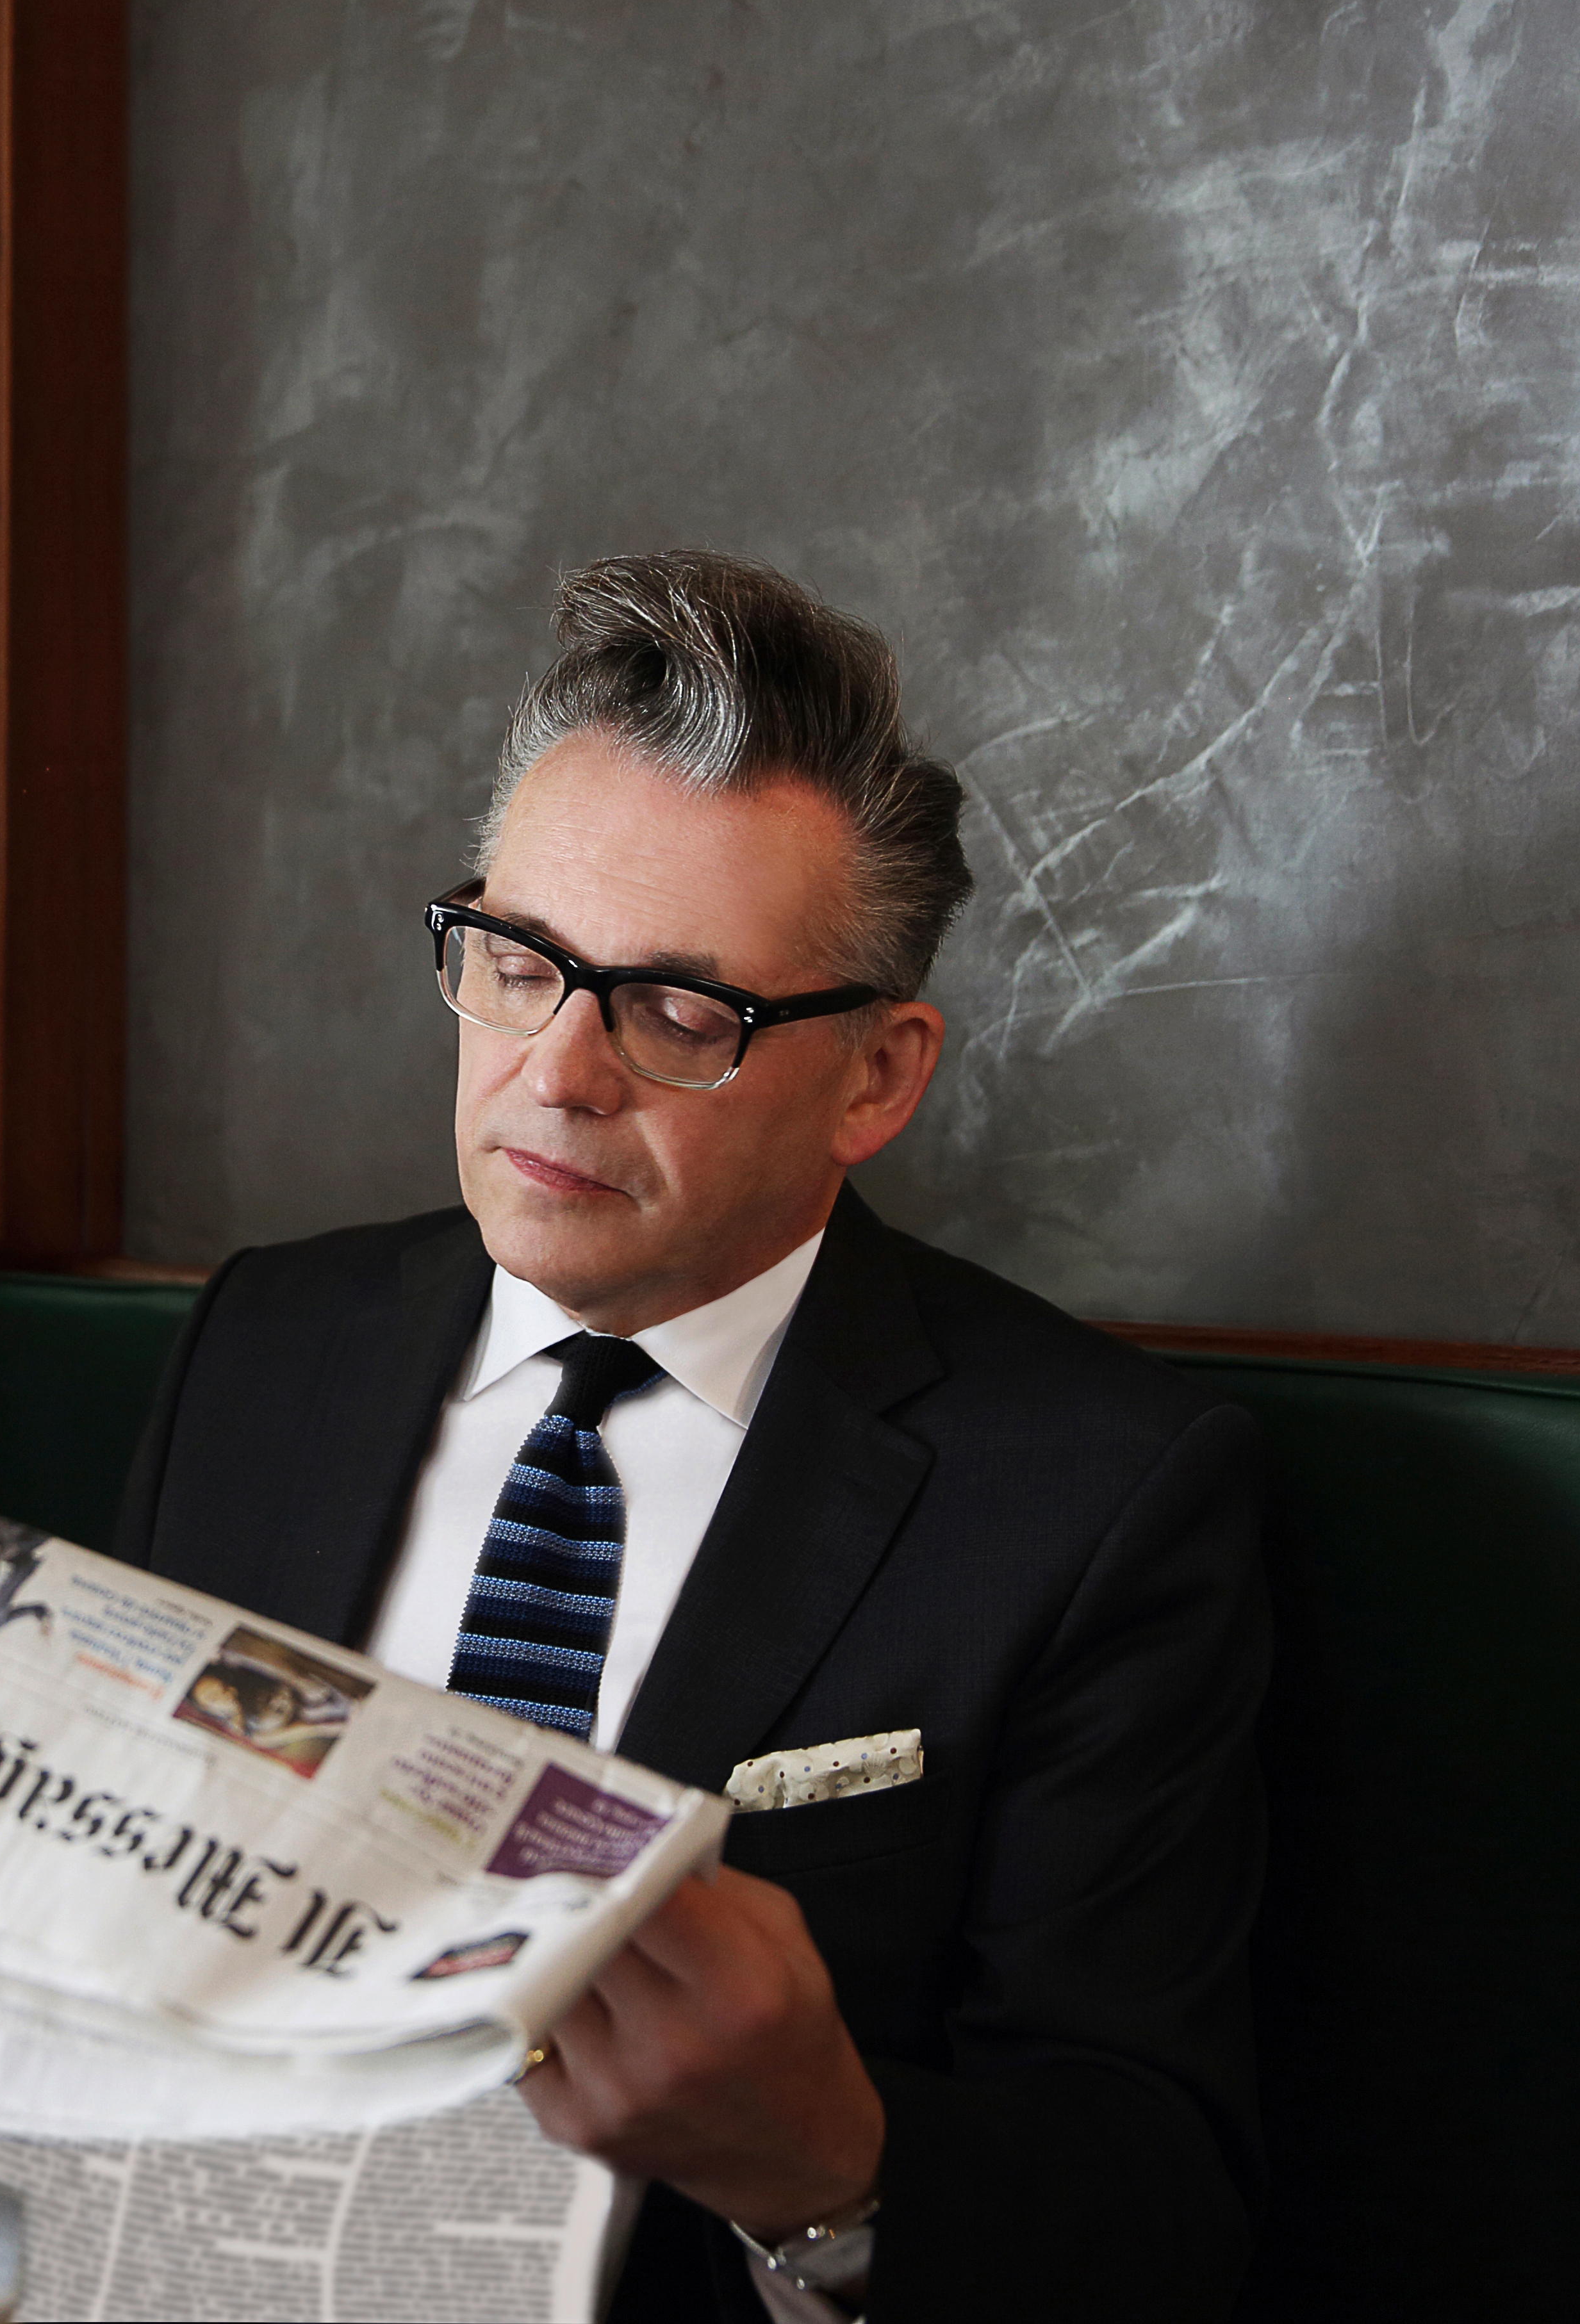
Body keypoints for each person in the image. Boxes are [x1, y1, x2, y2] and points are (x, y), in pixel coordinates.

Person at [116, 553, 1268, 2324]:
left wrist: (828, 2166)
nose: (560, 1072)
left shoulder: (1100, 1498)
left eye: (677, 1012)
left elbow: (1151, 2201)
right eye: (519, 961)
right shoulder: (265, 1343)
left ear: (877, 1077)